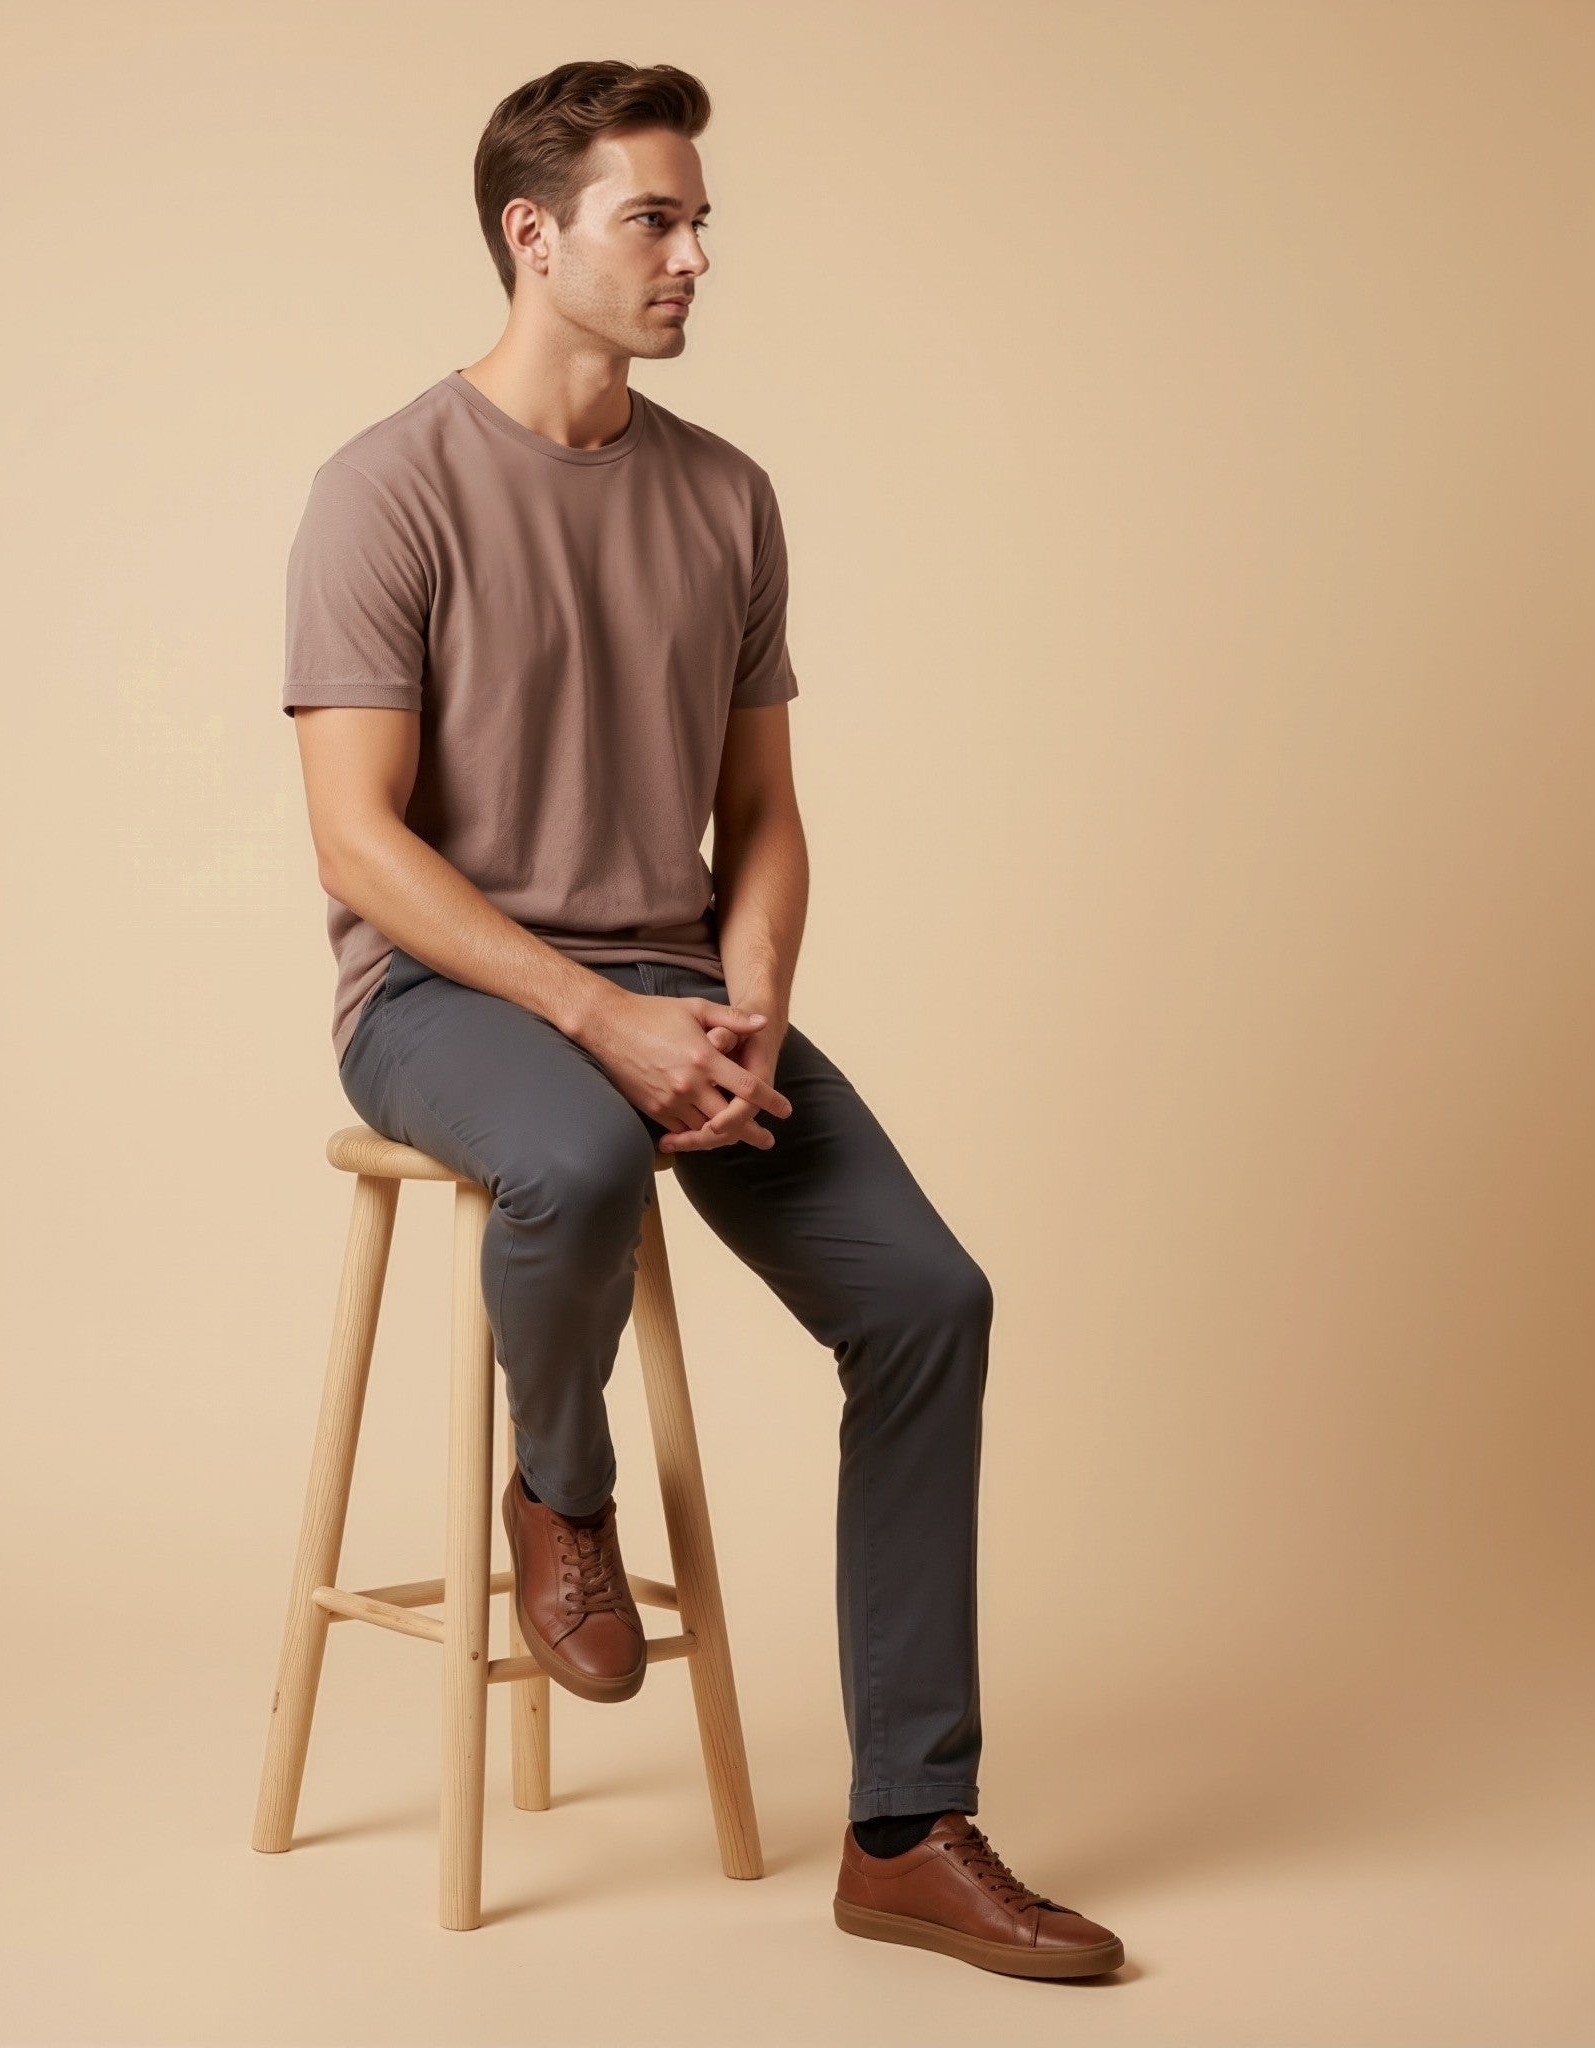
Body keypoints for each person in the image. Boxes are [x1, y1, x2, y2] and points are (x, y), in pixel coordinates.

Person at [279, 57, 1123, 1980]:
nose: (692, 255)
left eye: (694, 219)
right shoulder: (385, 488)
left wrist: (743, 1013)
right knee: (575, 1156)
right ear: (536, 234)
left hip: (680, 991)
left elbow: (765, 818)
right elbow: (356, 836)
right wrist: (598, 1019)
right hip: (445, 991)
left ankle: (908, 1827)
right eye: (654, 218)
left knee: (929, 1301)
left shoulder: (725, 495)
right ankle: (557, 1490)